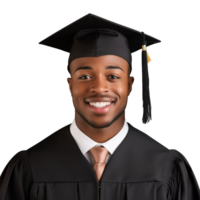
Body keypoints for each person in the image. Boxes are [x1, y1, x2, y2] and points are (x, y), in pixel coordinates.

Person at [0, 12, 200, 200]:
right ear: (70, 85)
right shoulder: (30, 166)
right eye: (84, 76)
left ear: (130, 85)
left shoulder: (166, 166)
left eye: (113, 76)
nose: (99, 88)